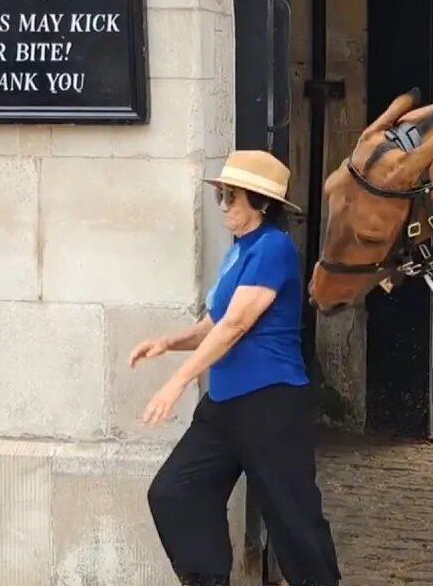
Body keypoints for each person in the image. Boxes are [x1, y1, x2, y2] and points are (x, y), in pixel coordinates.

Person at [133, 150, 342, 586]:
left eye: (233, 197)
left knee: (293, 517)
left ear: (262, 204)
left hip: (272, 404)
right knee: (176, 492)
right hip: (226, 406)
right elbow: (212, 322)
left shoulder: (274, 248)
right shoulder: (239, 252)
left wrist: (178, 381)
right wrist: (169, 342)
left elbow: (236, 325)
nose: (225, 205)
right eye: (222, 197)